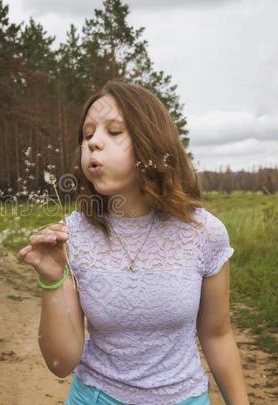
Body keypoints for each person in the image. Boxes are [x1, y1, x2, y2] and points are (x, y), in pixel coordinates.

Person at [16, 80, 250, 405]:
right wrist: (53, 280)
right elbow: (61, 363)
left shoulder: (204, 233)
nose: (94, 143)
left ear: (151, 142)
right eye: (87, 135)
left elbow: (217, 334)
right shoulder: (71, 235)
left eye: (113, 132)